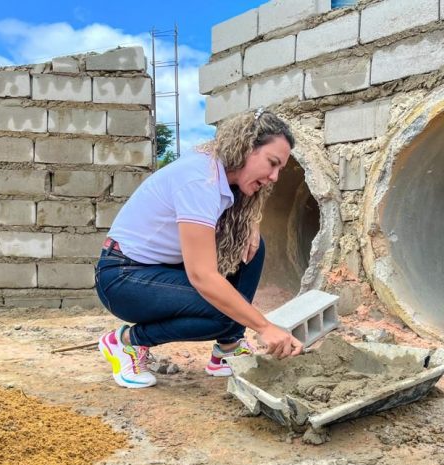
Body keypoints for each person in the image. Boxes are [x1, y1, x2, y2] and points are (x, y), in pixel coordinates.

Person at [95, 109, 304, 388]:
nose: (276, 177)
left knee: (253, 248)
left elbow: (232, 235)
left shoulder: (221, 176)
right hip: (122, 277)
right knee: (223, 312)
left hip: (159, 269)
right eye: (272, 163)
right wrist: (265, 327)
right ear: (245, 148)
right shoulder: (199, 180)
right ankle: (124, 342)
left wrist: (250, 225)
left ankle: (227, 350)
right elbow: (202, 276)